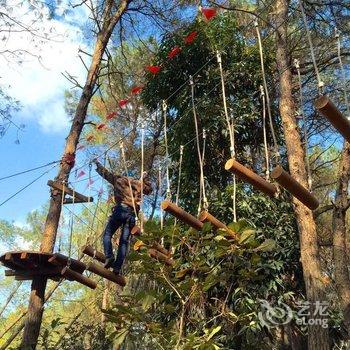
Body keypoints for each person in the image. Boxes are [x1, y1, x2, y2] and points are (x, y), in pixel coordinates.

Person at [94, 159, 152, 275]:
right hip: (131, 214)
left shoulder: (118, 179)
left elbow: (106, 174)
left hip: (121, 210)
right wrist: (143, 178)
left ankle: (109, 256)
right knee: (124, 242)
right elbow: (148, 190)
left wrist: (97, 164)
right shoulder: (135, 184)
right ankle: (117, 268)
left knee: (107, 234)